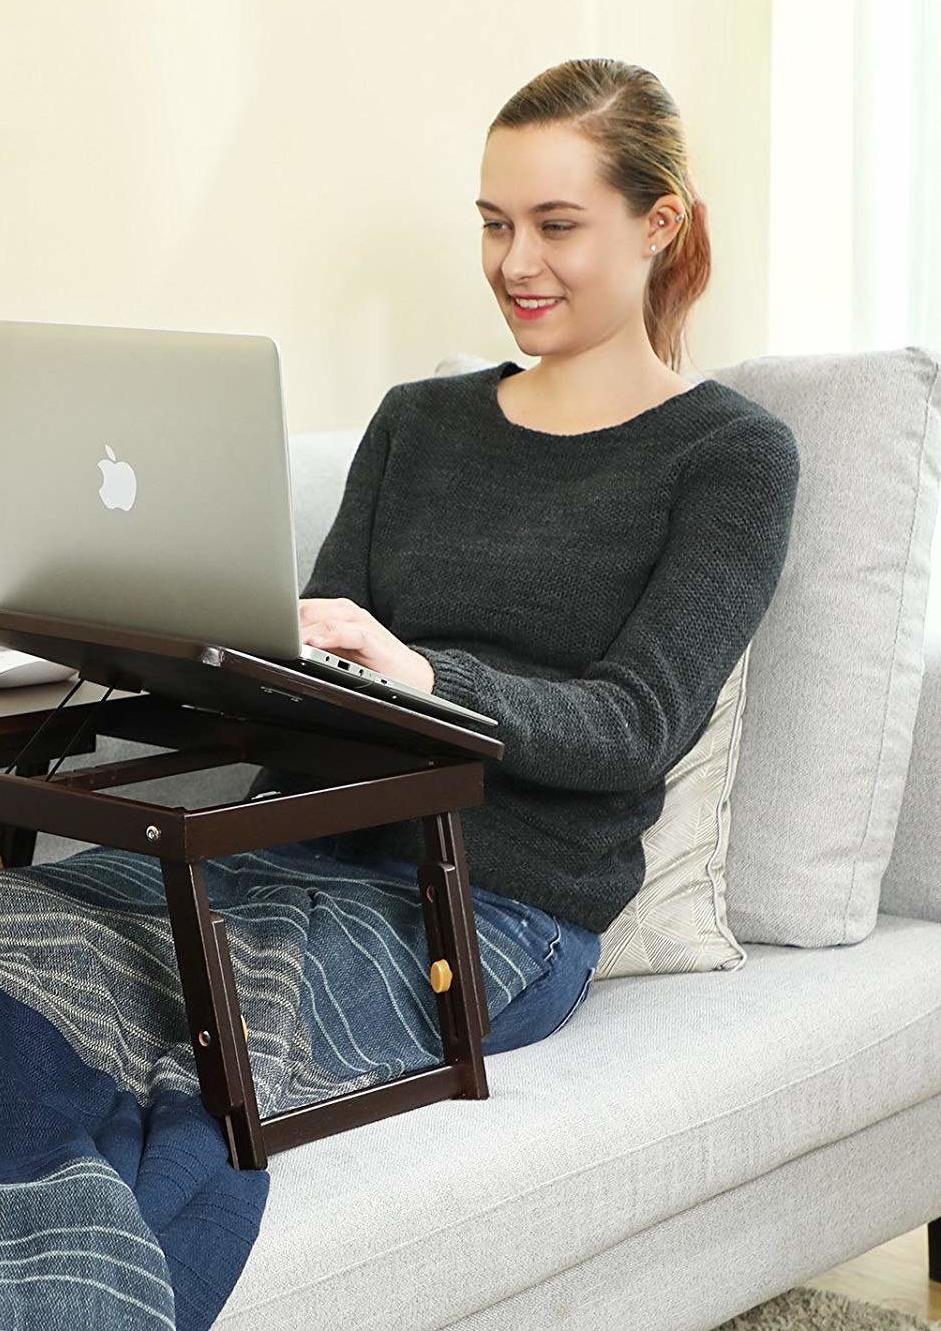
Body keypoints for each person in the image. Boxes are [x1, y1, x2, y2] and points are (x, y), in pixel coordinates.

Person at [243, 56, 801, 1056]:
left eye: (556, 225)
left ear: (659, 223)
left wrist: (422, 679)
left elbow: (636, 725)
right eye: (495, 224)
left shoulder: (731, 457)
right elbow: (321, 664)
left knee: (159, 1031)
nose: (514, 263)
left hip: (496, 910)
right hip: (292, 856)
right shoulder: (418, 421)